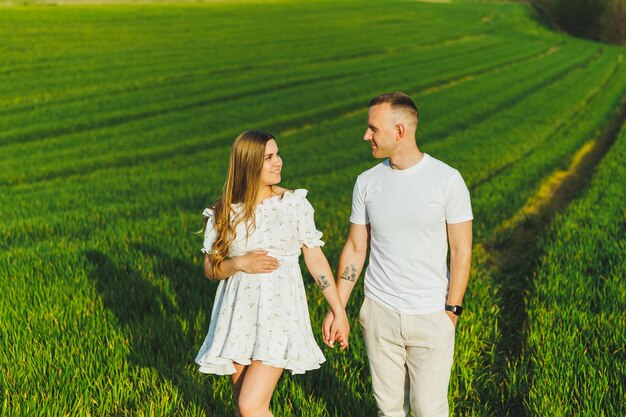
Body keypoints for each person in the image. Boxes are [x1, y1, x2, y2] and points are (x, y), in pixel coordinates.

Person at [322, 92, 473, 417]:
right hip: (380, 314)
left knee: (429, 409)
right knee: (388, 409)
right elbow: (355, 247)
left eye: (373, 129)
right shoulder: (366, 183)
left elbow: (462, 250)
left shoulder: (447, 180)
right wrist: (340, 306)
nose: (366, 136)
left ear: (400, 131)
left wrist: (452, 312)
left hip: (432, 314)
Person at [195, 130, 350, 417]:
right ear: (248, 164)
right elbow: (210, 268)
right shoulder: (225, 212)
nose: (278, 161)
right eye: (269, 157)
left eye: (277, 154)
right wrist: (239, 263)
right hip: (238, 315)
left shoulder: (294, 204)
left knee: (250, 405)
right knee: (244, 405)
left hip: (279, 314)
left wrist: (338, 310)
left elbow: (315, 259)